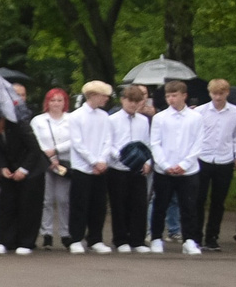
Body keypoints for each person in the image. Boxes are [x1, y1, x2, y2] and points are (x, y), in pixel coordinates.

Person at [149, 79, 206, 252]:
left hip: (188, 171)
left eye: (174, 95)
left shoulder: (196, 117)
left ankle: (189, 240)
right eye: (168, 96)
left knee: (189, 206)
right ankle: (156, 238)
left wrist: (184, 164)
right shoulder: (160, 118)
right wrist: (165, 165)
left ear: (184, 96)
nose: (171, 99)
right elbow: (155, 143)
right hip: (164, 170)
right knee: (160, 205)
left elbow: (198, 143)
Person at [0, 107, 43, 254]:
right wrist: (3, 167)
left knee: (28, 206)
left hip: (32, 169)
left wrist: (23, 169)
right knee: (5, 204)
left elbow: (34, 150)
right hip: (9, 168)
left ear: (2, 120)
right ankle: (4, 240)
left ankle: (26, 242)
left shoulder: (20, 125)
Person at [196, 78, 236, 251]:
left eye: (221, 93)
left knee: (218, 201)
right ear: (210, 94)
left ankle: (212, 237)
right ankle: (196, 236)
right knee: (199, 199)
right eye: (214, 93)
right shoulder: (201, 111)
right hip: (204, 158)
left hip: (224, 159)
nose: (218, 97)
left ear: (227, 93)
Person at [69, 81, 117, 251]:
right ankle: (75, 238)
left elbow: (107, 140)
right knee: (79, 204)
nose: (106, 99)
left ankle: (95, 239)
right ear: (93, 95)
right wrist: (93, 161)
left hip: (101, 167)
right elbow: (77, 143)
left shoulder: (104, 116)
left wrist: (102, 160)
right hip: (82, 167)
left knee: (99, 205)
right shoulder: (76, 116)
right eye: (104, 96)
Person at [110, 83, 155, 250]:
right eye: (130, 101)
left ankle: (137, 239)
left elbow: (147, 143)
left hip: (138, 168)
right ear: (123, 100)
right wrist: (122, 157)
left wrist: (147, 161)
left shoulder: (143, 121)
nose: (133, 105)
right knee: (119, 204)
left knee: (139, 204)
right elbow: (109, 143)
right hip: (118, 167)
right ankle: (121, 239)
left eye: (137, 102)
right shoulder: (112, 120)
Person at [32, 86, 76, 249]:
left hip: (64, 162)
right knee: (47, 199)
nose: (56, 103)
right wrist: (49, 157)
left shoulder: (71, 119)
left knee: (64, 199)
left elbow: (75, 139)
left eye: (60, 100)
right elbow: (36, 140)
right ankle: (47, 233)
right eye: (53, 100)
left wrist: (56, 152)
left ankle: (65, 233)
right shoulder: (39, 120)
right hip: (45, 163)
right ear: (47, 102)